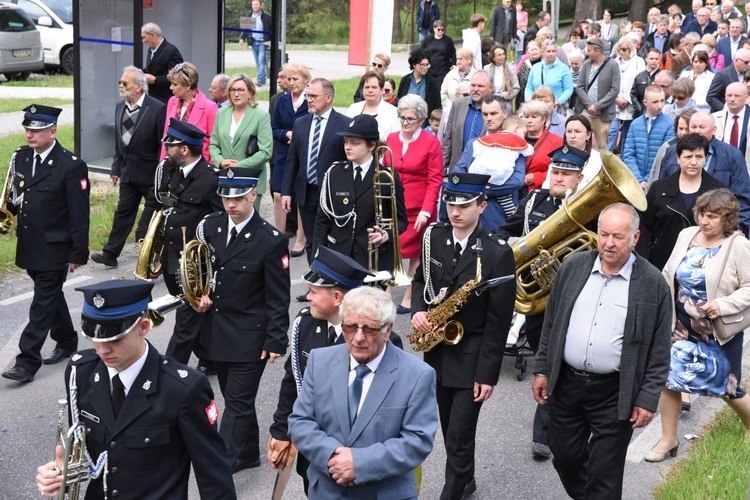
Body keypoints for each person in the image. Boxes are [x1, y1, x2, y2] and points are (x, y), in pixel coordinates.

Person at [33, 279, 236, 499]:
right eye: (95, 337)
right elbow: (82, 450)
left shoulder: (183, 389)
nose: (102, 349)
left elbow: (214, 477)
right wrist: (59, 473)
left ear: (143, 327)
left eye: (115, 337)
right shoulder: (80, 372)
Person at [532, 203, 672, 500]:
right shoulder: (574, 266)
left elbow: (660, 350)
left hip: (614, 391)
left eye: (618, 237)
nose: (609, 243)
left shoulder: (653, 284)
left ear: (635, 237)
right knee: (565, 457)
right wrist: (542, 368)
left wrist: (647, 399)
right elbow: (552, 322)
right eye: (604, 234)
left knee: (605, 474)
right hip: (567, 383)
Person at [411, 172, 516, 500]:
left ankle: (453, 491)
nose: (455, 211)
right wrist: (417, 309)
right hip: (438, 352)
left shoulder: (497, 252)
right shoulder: (434, 236)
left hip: (472, 354)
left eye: (465, 205)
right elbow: (419, 280)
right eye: (450, 202)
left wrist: (488, 375)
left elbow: (499, 323)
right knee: (450, 429)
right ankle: (466, 480)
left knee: (459, 433)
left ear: (482, 206)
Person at [267, 248, 404, 494]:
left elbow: (386, 414)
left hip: (360, 459)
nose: (308, 297)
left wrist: (357, 461)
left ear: (338, 297)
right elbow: (293, 379)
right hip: (315, 452)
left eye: (314, 292)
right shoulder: (306, 323)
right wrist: (281, 430)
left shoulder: (380, 340)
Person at [288, 286, 437, 498]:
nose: (358, 338)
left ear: (388, 330)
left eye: (369, 329)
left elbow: (416, 441)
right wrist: (331, 456)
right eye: (350, 327)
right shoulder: (319, 360)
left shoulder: (417, 375)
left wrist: (359, 464)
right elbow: (300, 421)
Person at [192, 167, 291, 473]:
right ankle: (248, 453)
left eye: (237, 197)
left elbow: (278, 296)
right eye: (225, 196)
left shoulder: (270, 240)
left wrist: (276, 339)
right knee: (236, 398)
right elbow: (200, 271)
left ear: (253, 195)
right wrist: (198, 294)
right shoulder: (211, 227)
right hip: (217, 333)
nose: (230, 203)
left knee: (236, 403)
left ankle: (220, 467)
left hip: (251, 336)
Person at [497, 144, 589, 460]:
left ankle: (545, 433)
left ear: (579, 177)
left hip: (575, 302)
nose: (559, 177)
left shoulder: (590, 208)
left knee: (562, 367)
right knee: (546, 364)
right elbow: (505, 230)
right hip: (538, 302)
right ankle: (555, 427)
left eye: (566, 173)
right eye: (556, 171)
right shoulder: (535, 199)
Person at [649, 188, 750, 463]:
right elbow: (669, 272)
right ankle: (668, 439)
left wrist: (722, 305)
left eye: (713, 217)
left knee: (727, 386)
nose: (705, 221)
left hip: (716, 330)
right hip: (680, 324)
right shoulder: (687, 235)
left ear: (727, 218)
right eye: (702, 214)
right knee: (668, 380)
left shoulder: (737, 245)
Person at [1, 105, 89, 384]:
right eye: (28, 129)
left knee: (41, 302)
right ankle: (66, 340)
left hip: (55, 246)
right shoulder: (21, 158)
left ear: (53, 131)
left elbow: (79, 213)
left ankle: (26, 362)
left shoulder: (71, 165)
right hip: (29, 243)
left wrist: (78, 252)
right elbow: (14, 196)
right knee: (50, 296)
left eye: (37, 130)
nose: (30, 134)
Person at [144, 119, 223, 368]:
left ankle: (169, 369)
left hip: (194, 266)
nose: (166, 150)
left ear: (185, 149)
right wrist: (143, 239)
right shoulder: (169, 171)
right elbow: (154, 203)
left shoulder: (211, 179)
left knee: (187, 319)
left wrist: (212, 269)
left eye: (171, 145)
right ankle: (210, 357)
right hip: (169, 257)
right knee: (192, 310)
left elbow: (220, 225)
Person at [90, 67, 166, 269]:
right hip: (128, 173)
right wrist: (115, 168)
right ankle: (110, 253)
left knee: (149, 220)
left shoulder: (157, 108)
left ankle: (152, 256)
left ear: (139, 87)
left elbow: (162, 144)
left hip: (150, 174)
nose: (121, 87)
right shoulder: (119, 107)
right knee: (123, 212)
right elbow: (118, 142)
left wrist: (162, 172)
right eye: (120, 83)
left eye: (125, 83)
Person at [314, 114, 407, 275]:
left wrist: (386, 235)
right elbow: (322, 221)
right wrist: (316, 259)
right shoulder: (334, 172)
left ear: (371, 146)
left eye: (355, 143)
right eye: (346, 142)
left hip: (373, 259)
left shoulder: (386, 177)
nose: (347, 147)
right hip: (339, 255)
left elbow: (401, 220)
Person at [281, 77, 349, 269]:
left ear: (328, 97)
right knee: (311, 241)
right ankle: (315, 284)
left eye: (313, 96)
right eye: (307, 95)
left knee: (332, 241)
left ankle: (333, 284)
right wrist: (286, 192)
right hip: (306, 192)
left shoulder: (344, 123)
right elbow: (292, 160)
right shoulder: (301, 123)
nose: (308, 99)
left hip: (333, 194)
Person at [386, 95, 444, 314]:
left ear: (421, 120)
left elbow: (435, 179)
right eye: (402, 117)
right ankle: (387, 292)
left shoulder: (431, 142)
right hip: (394, 207)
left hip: (420, 208)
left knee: (416, 253)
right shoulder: (391, 138)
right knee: (392, 250)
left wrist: (426, 211)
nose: (405, 122)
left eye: (410, 118)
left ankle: (410, 293)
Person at [638, 133, 726, 271]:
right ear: (678, 158)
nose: (693, 162)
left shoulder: (718, 190)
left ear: (705, 159)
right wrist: (643, 263)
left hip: (703, 267)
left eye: (699, 157)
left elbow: (727, 229)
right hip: (661, 263)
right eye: (688, 157)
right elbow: (644, 228)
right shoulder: (659, 188)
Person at [659, 111, 750, 233]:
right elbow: (661, 189)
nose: (697, 131)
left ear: (714, 129)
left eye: (702, 127)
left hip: (716, 228)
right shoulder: (672, 152)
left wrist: (737, 230)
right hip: (673, 226)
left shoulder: (732, 156)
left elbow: (742, 198)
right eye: (693, 127)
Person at [453, 97, 527, 229]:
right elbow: (458, 170)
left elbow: (517, 181)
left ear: (505, 114)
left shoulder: (516, 144)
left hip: (499, 215)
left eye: (493, 113)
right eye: (485, 114)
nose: (489, 118)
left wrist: (483, 191)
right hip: (470, 214)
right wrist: (476, 190)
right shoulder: (474, 143)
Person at [209, 73, 273, 208]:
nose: (236, 94)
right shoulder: (221, 113)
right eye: (233, 90)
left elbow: (265, 152)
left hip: (250, 180)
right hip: (227, 178)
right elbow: (214, 144)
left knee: (248, 225)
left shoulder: (261, 116)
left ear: (250, 92)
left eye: (241, 90)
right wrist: (220, 161)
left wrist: (239, 165)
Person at [272, 62, 311, 256]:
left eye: (295, 79)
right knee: (278, 195)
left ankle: (301, 239)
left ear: (305, 81)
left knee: (299, 196)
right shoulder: (282, 100)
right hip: (283, 154)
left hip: (303, 155)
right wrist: (286, 134)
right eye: (289, 79)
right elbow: (274, 128)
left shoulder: (311, 100)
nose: (291, 82)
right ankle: (279, 237)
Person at [162, 62, 217, 164]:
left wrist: (208, 173)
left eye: (175, 84)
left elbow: (214, 144)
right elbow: (166, 137)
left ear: (188, 86)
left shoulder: (210, 107)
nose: (171, 88)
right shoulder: (172, 101)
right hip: (171, 166)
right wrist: (162, 164)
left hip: (197, 169)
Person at [623, 84, 676, 188]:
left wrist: (648, 179)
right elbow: (629, 154)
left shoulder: (670, 124)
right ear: (645, 103)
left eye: (662, 100)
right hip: (635, 181)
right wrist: (638, 179)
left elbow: (665, 156)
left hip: (657, 182)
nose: (660, 105)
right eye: (655, 102)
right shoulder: (635, 124)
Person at [442, 70, 494, 173]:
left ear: (491, 88)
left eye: (480, 86)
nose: (475, 89)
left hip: (484, 172)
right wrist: (442, 171)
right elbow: (447, 141)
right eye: (473, 85)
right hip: (457, 170)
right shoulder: (457, 105)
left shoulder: (498, 109)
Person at [574, 38, 621, 149]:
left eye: (589, 50)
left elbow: (615, 90)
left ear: (597, 51)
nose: (587, 53)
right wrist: (590, 105)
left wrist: (598, 106)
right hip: (585, 112)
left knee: (602, 148)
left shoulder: (613, 65)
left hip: (603, 116)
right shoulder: (586, 64)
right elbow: (579, 87)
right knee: (581, 144)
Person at [608, 37, 646, 152]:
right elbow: (608, 82)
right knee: (611, 132)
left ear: (631, 49)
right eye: (619, 49)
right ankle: (604, 160)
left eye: (624, 49)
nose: (621, 52)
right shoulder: (613, 61)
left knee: (627, 135)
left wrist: (628, 99)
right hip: (614, 103)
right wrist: (616, 98)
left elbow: (640, 82)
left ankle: (623, 163)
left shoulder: (638, 62)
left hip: (631, 103)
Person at [521, 100, 563, 195]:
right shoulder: (517, 138)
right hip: (514, 193)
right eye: (526, 117)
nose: (529, 121)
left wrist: (536, 177)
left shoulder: (556, 141)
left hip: (540, 192)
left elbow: (560, 170)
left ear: (544, 119)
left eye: (534, 117)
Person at [648, 109, 697, 186]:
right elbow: (655, 174)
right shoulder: (667, 147)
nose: (683, 133)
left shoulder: (702, 148)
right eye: (680, 128)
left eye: (687, 129)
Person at [347, 71, 399, 140]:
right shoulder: (353, 108)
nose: (370, 90)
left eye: (374, 87)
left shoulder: (393, 112)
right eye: (367, 87)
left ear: (381, 90)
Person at [141, 23, 183, 103]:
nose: (143, 41)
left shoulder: (171, 51)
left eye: (144, 37)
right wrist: (142, 72)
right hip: (153, 98)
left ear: (152, 35)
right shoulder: (151, 49)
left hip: (166, 100)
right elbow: (156, 67)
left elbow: (178, 76)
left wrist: (155, 80)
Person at [524, 39, 573, 107]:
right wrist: (528, 99)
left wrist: (559, 101)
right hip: (537, 106)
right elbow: (529, 87)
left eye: (553, 51)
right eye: (548, 51)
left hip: (555, 106)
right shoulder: (535, 67)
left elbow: (569, 89)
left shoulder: (564, 68)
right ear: (542, 53)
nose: (551, 54)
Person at [712, 81, 750, 165]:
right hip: (720, 168)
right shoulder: (713, 119)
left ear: (746, 97)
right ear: (725, 97)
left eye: (737, 96)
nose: (732, 99)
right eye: (729, 95)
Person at [397, 48, 441, 118]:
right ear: (414, 65)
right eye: (422, 65)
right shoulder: (405, 80)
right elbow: (399, 100)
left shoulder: (432, 82)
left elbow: (437, 105)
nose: (425, 67)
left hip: (424, 121)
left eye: (427, 65)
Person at [238, 0, 271, 86]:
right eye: (253, 5)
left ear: (260, 5)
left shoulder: (266, 16)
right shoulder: (249, 16)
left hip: (263, 43)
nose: (255, 6)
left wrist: (271, 41)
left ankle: (260, 79)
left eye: (257, 4)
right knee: (257, 62)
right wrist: (242, 38)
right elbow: (245, 29)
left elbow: (271, 29)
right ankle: (262, 79)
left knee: (261, 60)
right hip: (253, 42)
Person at [421, 20, 456, 84]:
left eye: (442, 30)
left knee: (439, 87)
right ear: (434, 28)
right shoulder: (428, 39)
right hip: (430, 69)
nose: (440, 31)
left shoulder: (448, 40)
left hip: (443, 69)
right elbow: (422, 51)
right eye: (438, 29)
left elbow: (453, 53)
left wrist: (453, 64)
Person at [486, 44, 520, 109]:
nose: (502, 57)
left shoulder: (511, 69)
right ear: (493, 57)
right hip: (489, 101)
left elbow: (516, 88)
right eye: (499, 55)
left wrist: (505, 95)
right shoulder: (486, 69)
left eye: (503, 54)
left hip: (505, 102)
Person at [516, 40, 542, 110]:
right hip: (525, 98)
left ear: (540, 50)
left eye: (536, 49)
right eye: (532, 50)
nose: (534, 51)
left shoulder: (544, 65)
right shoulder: (524, 65)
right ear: (528, 52)